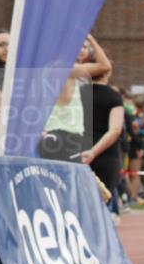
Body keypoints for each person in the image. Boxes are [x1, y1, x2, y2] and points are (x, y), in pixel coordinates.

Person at [39, 33, 111, 162]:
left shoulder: (52, 67)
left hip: (55, 134)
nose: (83, 49)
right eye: (79, 46)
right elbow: (105, 66)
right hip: (65, 135)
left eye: (85, 46)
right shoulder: (67, 68)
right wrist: (92, 39)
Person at [80, 67, 125, 208]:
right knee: (101, 205)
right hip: (105, 154)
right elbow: (115, 130)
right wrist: (93, 152)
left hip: (78, 152)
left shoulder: (77, 94)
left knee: (77, 202)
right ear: (108, 73)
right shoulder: (114, 97)